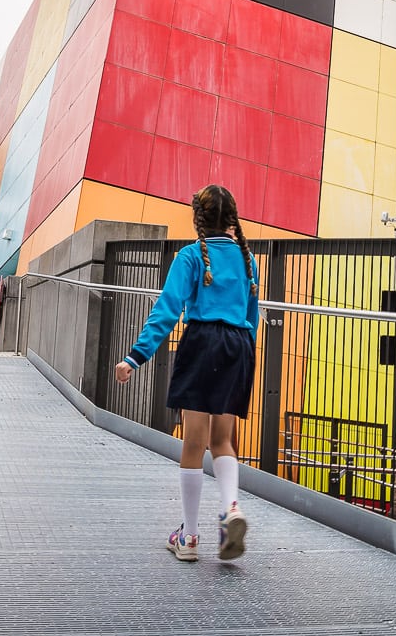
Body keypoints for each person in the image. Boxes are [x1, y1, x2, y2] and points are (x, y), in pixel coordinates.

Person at [113, 185, 260, 563]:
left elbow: (168, 309)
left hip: (203, 343)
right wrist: (244, 354)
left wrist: (135, 357)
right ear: (233, 219)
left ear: (198, 219)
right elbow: (252, 315)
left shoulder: (191, 256)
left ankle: (190, 537)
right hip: (239, 347)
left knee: (194, 442)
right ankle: (230, 510)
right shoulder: (248, 261)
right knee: (223, 440)